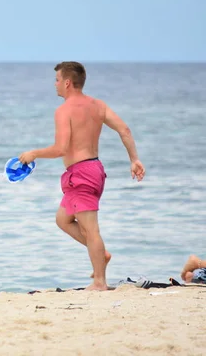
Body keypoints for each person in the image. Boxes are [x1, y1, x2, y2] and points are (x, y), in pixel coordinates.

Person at [18, 61, 145, 291]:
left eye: (57, 80)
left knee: (91, 229)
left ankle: (99, 282)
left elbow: (61, 149)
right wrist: (134, 159)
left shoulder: (64, 110)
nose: (55, 84)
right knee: (63, 219)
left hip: (82, 174)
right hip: (92, 169)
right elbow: (124, 129)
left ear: (67, 82)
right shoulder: (98, 105)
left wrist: (33, 153)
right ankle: (100, 255)